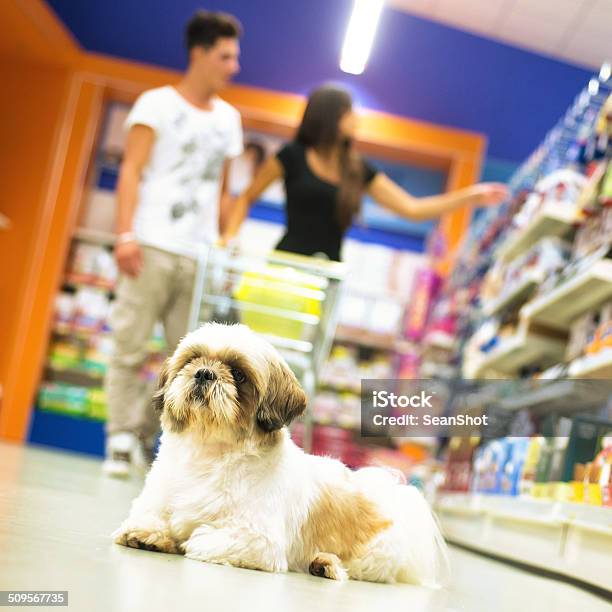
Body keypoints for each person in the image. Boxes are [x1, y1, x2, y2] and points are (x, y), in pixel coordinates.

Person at [103, 10, 244, 478]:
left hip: (200, 256)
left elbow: (223, 191)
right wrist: (125, 233)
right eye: (226, 56)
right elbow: (131, 171)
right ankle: (119, 438)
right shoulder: (155, 104)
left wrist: (225, 245)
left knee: (189, 362)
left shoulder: (229, 119)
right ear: (199, 54)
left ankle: (147, 431)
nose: (233, 66)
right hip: (150, 244)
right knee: (130, 343)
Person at [221, 84, 508, 261]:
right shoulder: (292, 156)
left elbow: (413, 208)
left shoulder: (357, 169)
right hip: (287, 264)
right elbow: (247, 197)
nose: (356, 118)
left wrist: (471, 196)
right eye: (349, 111)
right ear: (329, 116)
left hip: (328, 275)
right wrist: (229, 237)